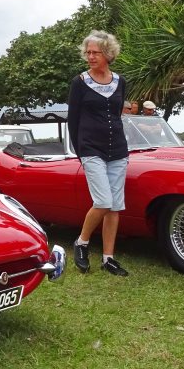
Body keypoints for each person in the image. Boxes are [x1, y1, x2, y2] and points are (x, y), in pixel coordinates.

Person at [68, 30, 130, 277]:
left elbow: (117, 115)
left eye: (96, 52)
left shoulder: (120, 81)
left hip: (118, 149)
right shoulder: (79, 82)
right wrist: (80, 151)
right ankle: (82, 243)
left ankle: (108, 258)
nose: (90, 56)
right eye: (88, 52)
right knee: (103, 201)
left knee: (114, 207)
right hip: (91, 149)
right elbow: (73, 120)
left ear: (108, 53)